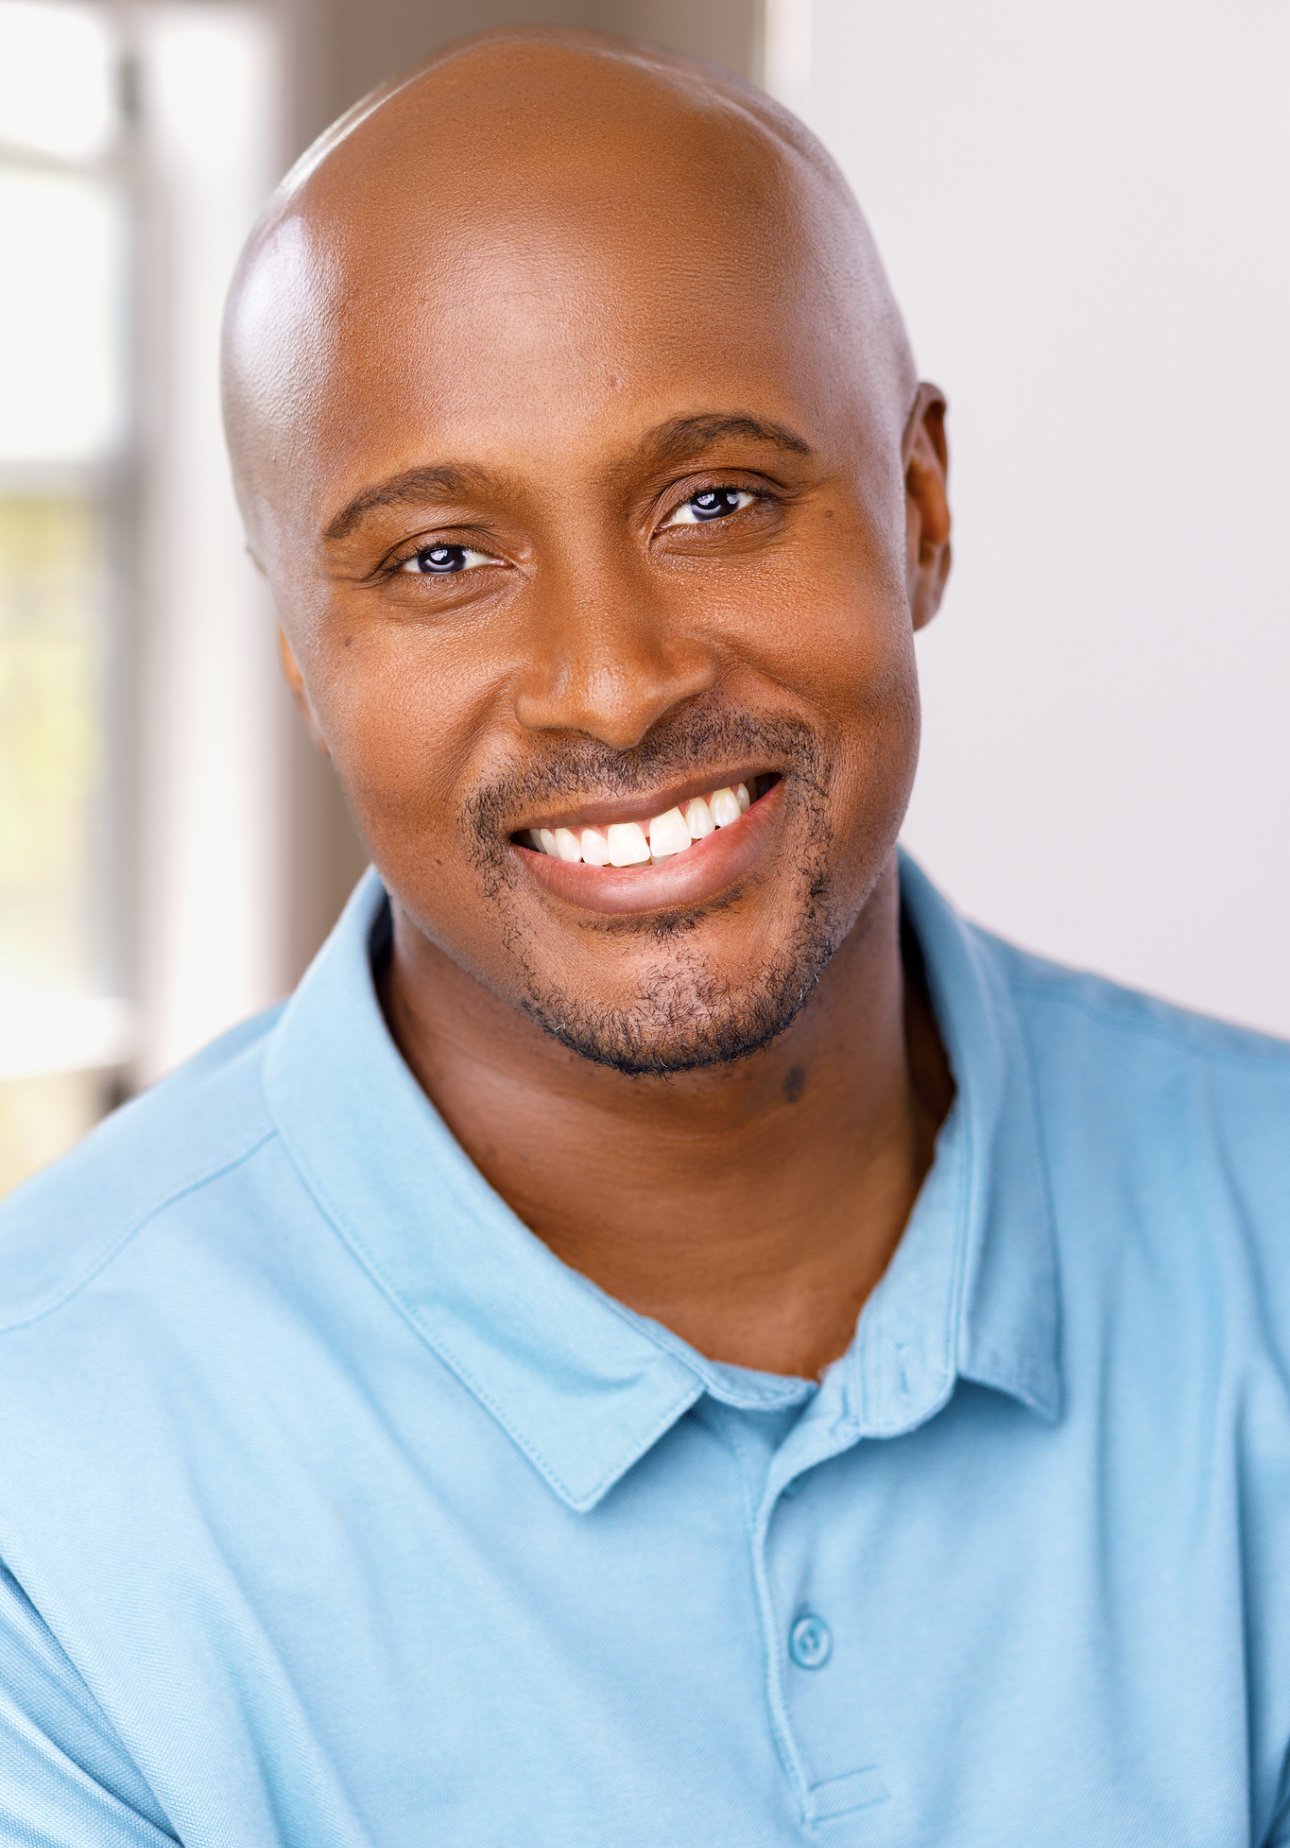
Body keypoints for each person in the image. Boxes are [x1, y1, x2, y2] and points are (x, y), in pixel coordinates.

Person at [0, 24, 1286, 1846]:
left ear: (918, 507)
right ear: (301, 648)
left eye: (717, 502)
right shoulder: (38, 1496)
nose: (611, 685)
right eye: (438, 560)